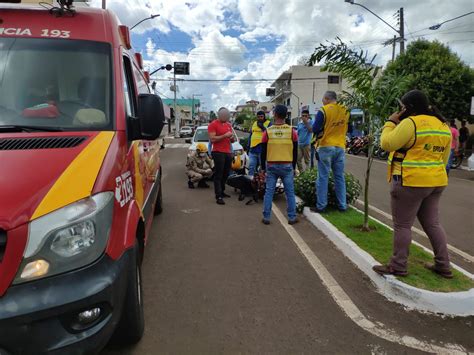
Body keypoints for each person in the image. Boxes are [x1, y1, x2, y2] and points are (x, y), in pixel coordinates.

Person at [372, 90, 453, 278]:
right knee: (433, 224)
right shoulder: (442, 125)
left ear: (407, 108)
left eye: (401, 107)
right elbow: (445, 157)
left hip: (410, 181)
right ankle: (444, 264)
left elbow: (386, 143)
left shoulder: (411, 123)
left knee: (402, 225)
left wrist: (391, 122)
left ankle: (398, 265)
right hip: (436, 182)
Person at [311, 91, 349, 212]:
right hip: (340, 146)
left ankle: (321, 206)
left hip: (326, 145)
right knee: (339, 177)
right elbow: (350, 127)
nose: (322, 101)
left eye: (323, 99)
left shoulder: (324, 110)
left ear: (327, 98)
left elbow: (315, 128)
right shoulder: (345, 110)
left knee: (323, 177)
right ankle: (342, 205)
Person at [260, 105, 298, 225]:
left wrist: (262, 167)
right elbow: (295, 151)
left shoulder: (267, 131)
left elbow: (263, 152)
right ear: (286, 116)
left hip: (271, 166)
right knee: (290, 193)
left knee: (269, 192)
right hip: (287, 166)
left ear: (275, 115)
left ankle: (266, 217)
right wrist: (294, 166)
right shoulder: (292, 131)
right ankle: (292, 217)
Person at [208, 107, 235, 205]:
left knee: (226, 173)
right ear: (219, 115)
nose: (225, 117)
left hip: (228, 152)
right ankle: (218, 196)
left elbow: (231, 139)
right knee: (218, 174)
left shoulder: (228, 125)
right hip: (218, 152)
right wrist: (224, 136)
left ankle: (222, 191)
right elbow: (212, 139)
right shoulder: (213, 124)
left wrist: (231, 138)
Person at [248, 110, 271, 176]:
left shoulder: (269, 123)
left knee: (263, 168)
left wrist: (263, 127)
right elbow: (251, 135)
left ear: (264, 116)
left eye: (261, 116)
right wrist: (248, 146)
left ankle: (263, 183)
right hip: (253, 150)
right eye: (258, 117)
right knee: (251, 167)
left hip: (262, 151)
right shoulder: (254, 123)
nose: (260, 118)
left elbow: (270, 134)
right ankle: (250, 182)